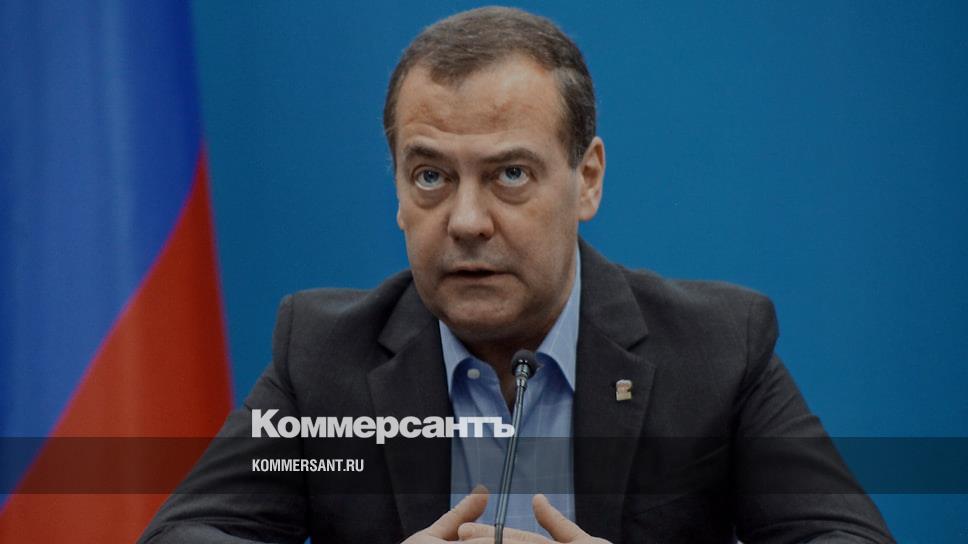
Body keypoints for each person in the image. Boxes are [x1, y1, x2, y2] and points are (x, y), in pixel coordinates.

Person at [140, 7, 893, 543]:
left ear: (586, 180)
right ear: (397, 189)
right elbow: (188, 533)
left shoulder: (716, 351)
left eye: (509, 174)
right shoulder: (324, 357)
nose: (466, 220)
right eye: (431, 176)